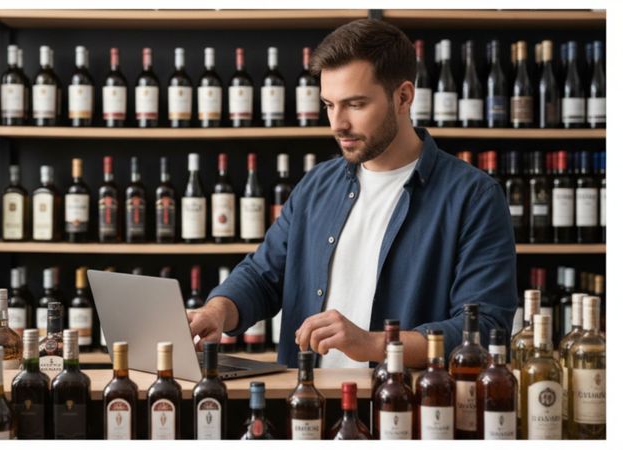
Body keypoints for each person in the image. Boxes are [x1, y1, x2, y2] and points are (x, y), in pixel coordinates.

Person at [188, 19, 517, 368]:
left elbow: (484, 330)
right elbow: (262, 275)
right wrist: (218, 311)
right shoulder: (315, 186)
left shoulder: (474, 197)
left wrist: (375, 344)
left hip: (406, 412)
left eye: (355, 105)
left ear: (403, 97)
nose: (337, 124)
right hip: (306, 407)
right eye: (329, 105)